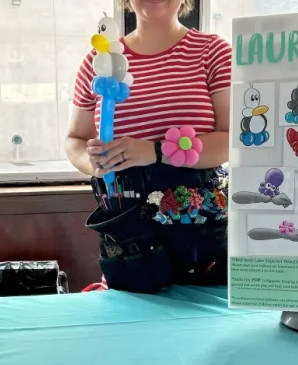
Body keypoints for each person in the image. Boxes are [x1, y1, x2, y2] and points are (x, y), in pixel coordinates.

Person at [65, 0, 232, 294]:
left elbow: (232, 139)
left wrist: (155, 151)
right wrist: (93, 162)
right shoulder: (101, 61)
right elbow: (74, 139)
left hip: (200, 234)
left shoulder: (213, 52)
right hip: (129, 240)